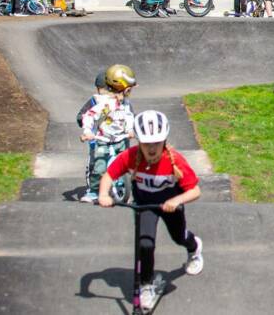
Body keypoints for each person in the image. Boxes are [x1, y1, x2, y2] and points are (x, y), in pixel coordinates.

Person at [98, 110, 205, 312]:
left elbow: (195, 190)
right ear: (139, 142)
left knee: (179, 237)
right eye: (147, 143)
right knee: (145, 244)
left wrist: (176, 199)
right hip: (145, 206)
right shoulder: (130, 157)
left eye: (157, 142)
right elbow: (108, 176)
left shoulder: (175, 160)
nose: (152, 148)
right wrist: (104, 194)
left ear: (164, 141)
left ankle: (194, 248)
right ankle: (146, 285)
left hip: (170, 205)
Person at [78, 64, 136, 204]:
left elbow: (129, 116)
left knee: (128, 164)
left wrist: (130, 129)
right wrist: (87, 131)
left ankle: (125, 188)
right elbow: (89, 116)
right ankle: (94, 191)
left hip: (121, 139)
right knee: (99, 167)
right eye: (128, 90)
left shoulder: (126, 104)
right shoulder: (106, 105)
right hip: (103, 139)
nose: (129, 93)